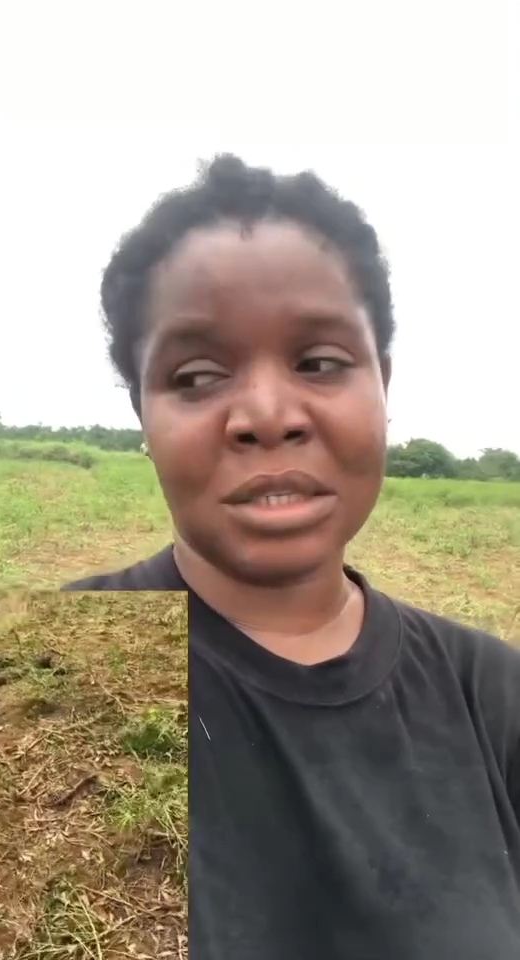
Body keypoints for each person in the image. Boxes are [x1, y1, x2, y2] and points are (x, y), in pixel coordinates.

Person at [65, 155, 520, 959]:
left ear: (382, 383)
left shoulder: (496, 696)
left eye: (319, 363)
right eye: (197, 376)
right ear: (144, 414)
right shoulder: (44, 681)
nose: (268, 416)